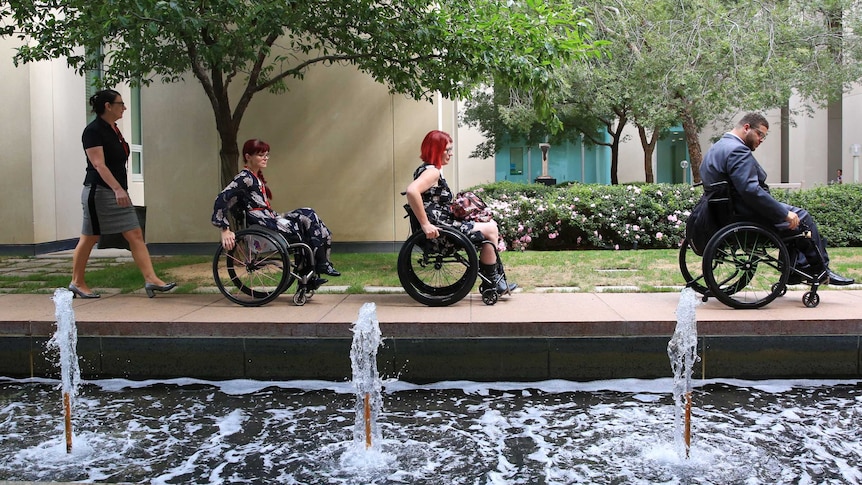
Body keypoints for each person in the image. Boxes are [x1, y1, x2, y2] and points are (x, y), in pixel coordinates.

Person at [700, 112, 854, 285]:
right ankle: (820, 270)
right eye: (760, 134)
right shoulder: (738, 150)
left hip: (726, 213)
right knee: (802, 217)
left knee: (793, 221)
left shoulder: (717, 147)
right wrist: (783, 213)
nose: (761, 139)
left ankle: (795, 270)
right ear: (746, 128)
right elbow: (751, 191)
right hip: (745, 214)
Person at [69, 89, 176, 299]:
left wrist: (121, 189)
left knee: (135, 233)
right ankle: (77, 282)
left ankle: (151, 279)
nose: (124, 108)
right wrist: (117, 188)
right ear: (108, 106)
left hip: (117, 192)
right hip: (99, 193)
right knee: (90, 237)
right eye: (121, 104)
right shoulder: (93, 131)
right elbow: (98, 165)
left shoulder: (113, 129)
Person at [212, 139, 339, 287]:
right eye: (261, 155)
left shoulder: (254, 178)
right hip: (261, 221)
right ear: (248, 156)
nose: (265, 158)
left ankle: (319, 265)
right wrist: (225, 229)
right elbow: (221, 198)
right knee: (301, 227)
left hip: (270, 217)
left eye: (267, 155)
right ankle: (319, 266)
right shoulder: (244, 178)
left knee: (309, 214)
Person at [405, 130, 516, 294]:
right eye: (447, 150)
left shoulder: (425, 169)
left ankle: (493, 279)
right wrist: (425, 224)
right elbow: (411, 191)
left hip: (444, 225)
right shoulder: (432, 172)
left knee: (490, 224)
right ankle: (492, 283)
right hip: (441, 232)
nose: (451, 154)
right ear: (436, 149)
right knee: (491, 229)